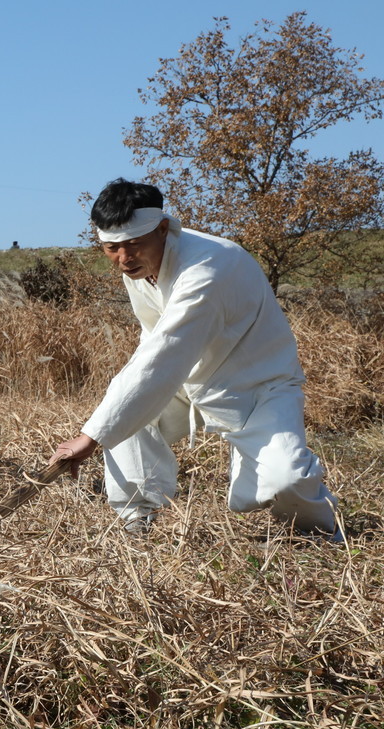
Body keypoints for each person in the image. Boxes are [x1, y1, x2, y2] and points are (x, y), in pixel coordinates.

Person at [48, 178, 339, 538]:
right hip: (188, 377)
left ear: (163, 228)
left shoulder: (207, 267)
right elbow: (153, 340)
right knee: (127, 414)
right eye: (111, 248)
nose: (123, 259)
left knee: (287, 479)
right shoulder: (140, 265)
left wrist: (89, 437)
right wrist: (107, 424)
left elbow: (167, 348)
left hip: (256, 382)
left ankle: (318, 535)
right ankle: (136, 519)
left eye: (133, 244)